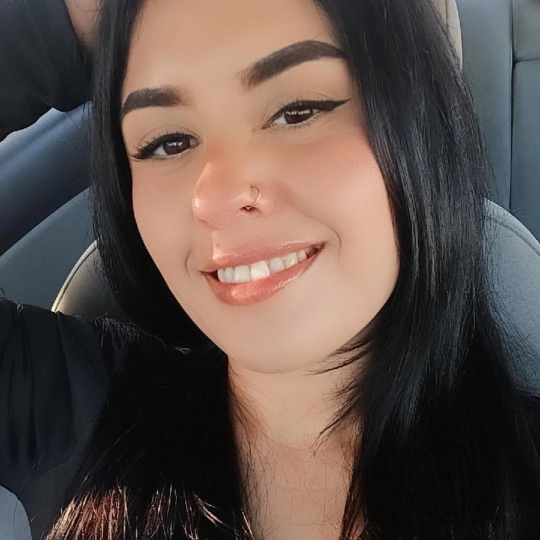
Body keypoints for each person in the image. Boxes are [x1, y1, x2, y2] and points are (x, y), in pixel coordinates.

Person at [1, 0, 540, 539]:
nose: (214, 197)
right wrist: (73, 20)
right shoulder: (86, 417)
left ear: (420, 124)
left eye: (297, 111)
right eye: (169, 142)